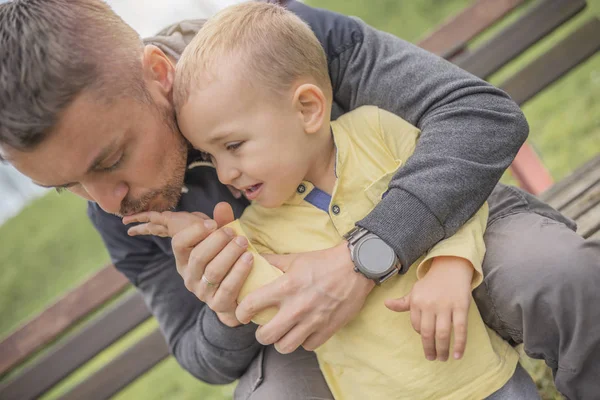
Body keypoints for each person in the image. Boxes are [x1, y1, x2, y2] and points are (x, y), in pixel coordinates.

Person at [0, 1, 597, 399]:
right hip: (324, 337)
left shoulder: (274, 42)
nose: (107, 202)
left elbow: (477, 116)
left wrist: (363, 258)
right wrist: (228, 309)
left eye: (108, 160)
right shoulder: (121, 213)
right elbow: (199, 352)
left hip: (450, 238)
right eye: (68, 186)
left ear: (157, 72)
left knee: (553, 272)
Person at [124, 3, 542, 399]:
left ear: (308, 108)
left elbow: (453, 189)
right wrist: (200, 242)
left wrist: (451, 263)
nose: (224, 174)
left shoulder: (375, 132)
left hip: (481, 376)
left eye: (233, 146)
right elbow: (262, 299)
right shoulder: (257, 229)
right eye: (211, 157)